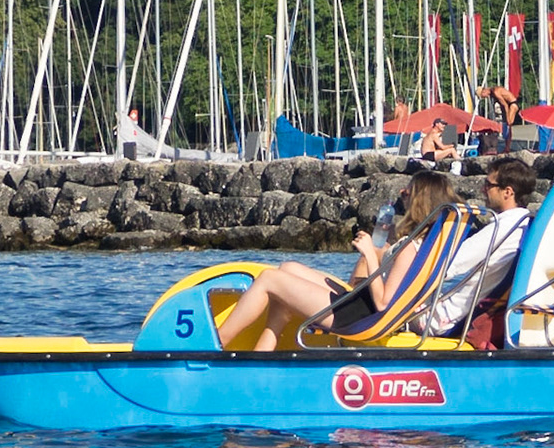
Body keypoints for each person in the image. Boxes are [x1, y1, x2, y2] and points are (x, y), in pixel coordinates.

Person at [216, 171, 458, 352]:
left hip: (358, 315)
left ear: (418, 202)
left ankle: (218, 342)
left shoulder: (409, 250)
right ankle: (263, 354)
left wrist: (369, 255)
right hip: (359, 304)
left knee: (270, 279)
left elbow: (384, 303)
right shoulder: (423, 245)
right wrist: (380, 251)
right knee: (288, 269)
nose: (402, 195)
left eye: (407, 192)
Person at [415, 156, 536, 339]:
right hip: (463, 313)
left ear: (507, 192)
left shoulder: (501, 228)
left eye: (488, 185)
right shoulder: (525, 224)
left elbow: (448, 265)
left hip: (442, 318)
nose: (482, 190)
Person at [482, 83, 523, 151]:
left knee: (509, 124)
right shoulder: (492, 94)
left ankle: (508, 147)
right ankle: (507, 146)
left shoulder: (495, 92)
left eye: (482, 96)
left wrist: (507, 116)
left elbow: (505, 105)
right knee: (506, 125)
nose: (484, 97)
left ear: (484, 91)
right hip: (507, 106)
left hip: (512, 104)